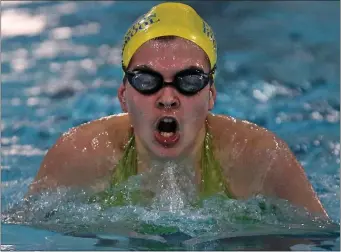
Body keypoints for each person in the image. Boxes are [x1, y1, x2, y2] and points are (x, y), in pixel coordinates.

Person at [28, 2, 328, 217]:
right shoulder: (78, 155)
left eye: (189, 80)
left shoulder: (260, 160)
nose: (168, 97)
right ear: (123, 96)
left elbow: (322, 241)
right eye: (147, 80)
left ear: (210, 95)